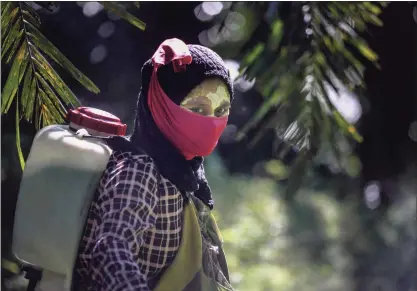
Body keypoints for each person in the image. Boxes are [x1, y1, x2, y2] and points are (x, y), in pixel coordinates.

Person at [73, 38, 234, 291]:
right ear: (161, 105)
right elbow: (111, 248)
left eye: (221, 110)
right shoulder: (138, 170)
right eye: (198, 109)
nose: (212, 122)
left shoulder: (183, 171)